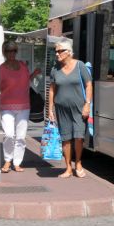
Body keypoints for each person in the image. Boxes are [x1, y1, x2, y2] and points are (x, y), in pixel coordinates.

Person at [47, 39, 92, 178]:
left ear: (68, 52)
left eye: (60, 51)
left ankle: (78, 163)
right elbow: (52, 89)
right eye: (56, 51)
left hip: (79, 108)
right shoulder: (55, 69)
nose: (57, 54)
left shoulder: (80, 66)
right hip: (61, 109)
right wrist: (50, 109)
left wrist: (87, 104)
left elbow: (88, 85)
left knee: (78, 137)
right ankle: (67, 167)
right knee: (66, 138)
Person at [0, 40, 39, 173]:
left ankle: (16, 162)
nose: (11, 53)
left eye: (14, 51)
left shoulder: (22, 65)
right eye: (9, 51)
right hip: (6, 106)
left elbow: (26, 81)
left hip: (24, 106)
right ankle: (7, 160)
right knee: (9, 134)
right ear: (4, 52)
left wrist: (35, 74)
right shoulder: (1, 69)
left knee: (21, 137)